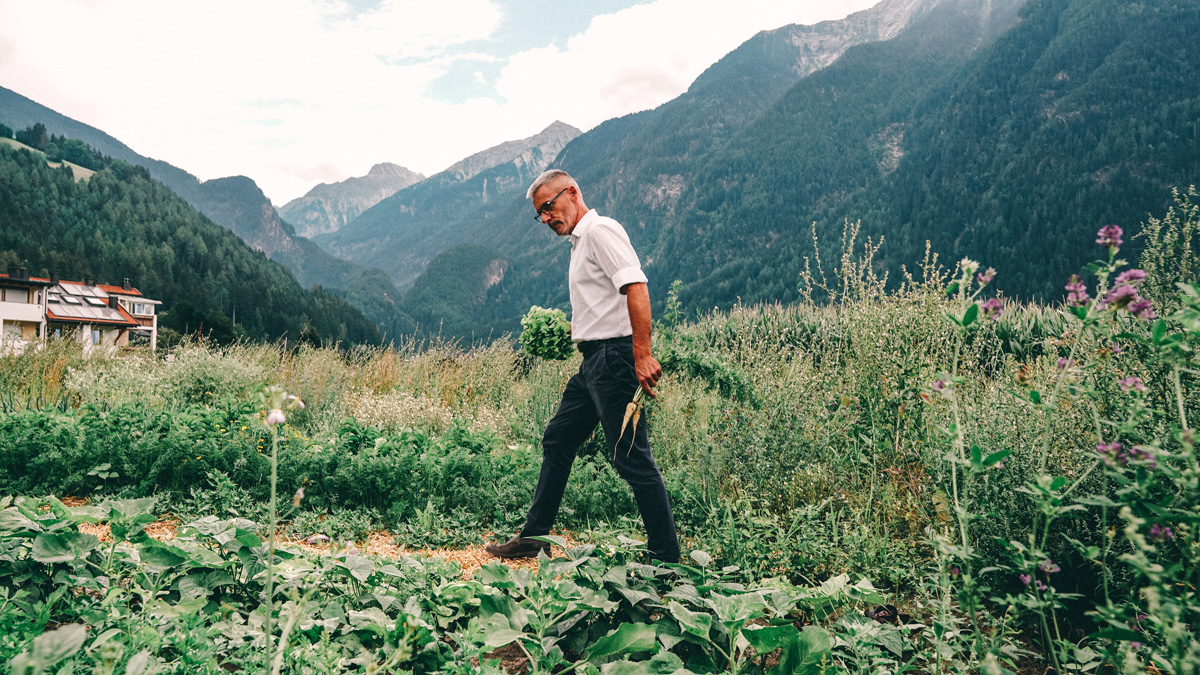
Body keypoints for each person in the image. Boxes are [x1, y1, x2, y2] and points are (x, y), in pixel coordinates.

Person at [485, 169, 680, 563]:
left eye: (548, 207)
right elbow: (606, 302)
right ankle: (534, 538)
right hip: (593, 362)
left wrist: (642, 354)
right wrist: (576, 329)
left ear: (571, 193)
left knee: (630, 456)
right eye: (539, 213)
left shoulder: (599, 231)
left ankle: (666, 557)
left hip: (614, 360)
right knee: (558, 438)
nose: (544, 218)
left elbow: (636, 286)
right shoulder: (580, 244)